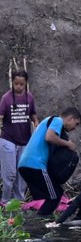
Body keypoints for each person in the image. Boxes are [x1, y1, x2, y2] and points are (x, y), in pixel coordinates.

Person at [18, 106, 81, 215]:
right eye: (76, 123)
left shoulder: (50, 124)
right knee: (55, 196)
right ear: (70, 118)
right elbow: (49, 137)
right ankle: (41, 223)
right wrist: (68, 144)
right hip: (35, 165)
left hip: (25, 165)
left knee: (55, 193)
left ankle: (40, 220)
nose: (75, 128)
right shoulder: (57, 120)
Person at [0, 69, 36, 202]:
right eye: (16, 84)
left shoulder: (29, 97)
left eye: (21, 84)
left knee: (21, 173)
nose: (18, 87)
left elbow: (32, 114)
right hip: (8, 139)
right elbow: (1, 116)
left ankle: (18, 202)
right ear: (12, 83)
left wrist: (36, 123)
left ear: (26, 83)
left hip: (24, 141)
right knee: (9, 174)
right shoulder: (6, 98)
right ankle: (4, 201)